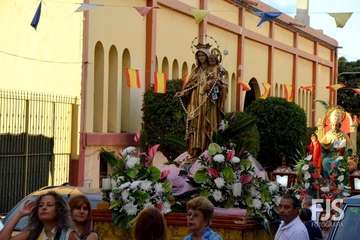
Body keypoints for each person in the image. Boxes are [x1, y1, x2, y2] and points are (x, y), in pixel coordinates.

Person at [176, 43, 227, 160]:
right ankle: (194, 149)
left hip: (207, 101)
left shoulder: (214, 69)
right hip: (195, 100)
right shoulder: (196, 70)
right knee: (194, 124)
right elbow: (189, 85)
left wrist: (216, 85)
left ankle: (206, 150)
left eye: (203, 55)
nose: (201, 58)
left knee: (205, 124)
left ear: (207, 56)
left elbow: (222, 86)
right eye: (199, 56)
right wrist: (183, 93)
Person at [8, 191, 77, 240]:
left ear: (59, 210)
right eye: (40, 205)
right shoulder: (33, 233)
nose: (44, 208)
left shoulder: (68, 235)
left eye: (49, 205)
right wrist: (20, 213)